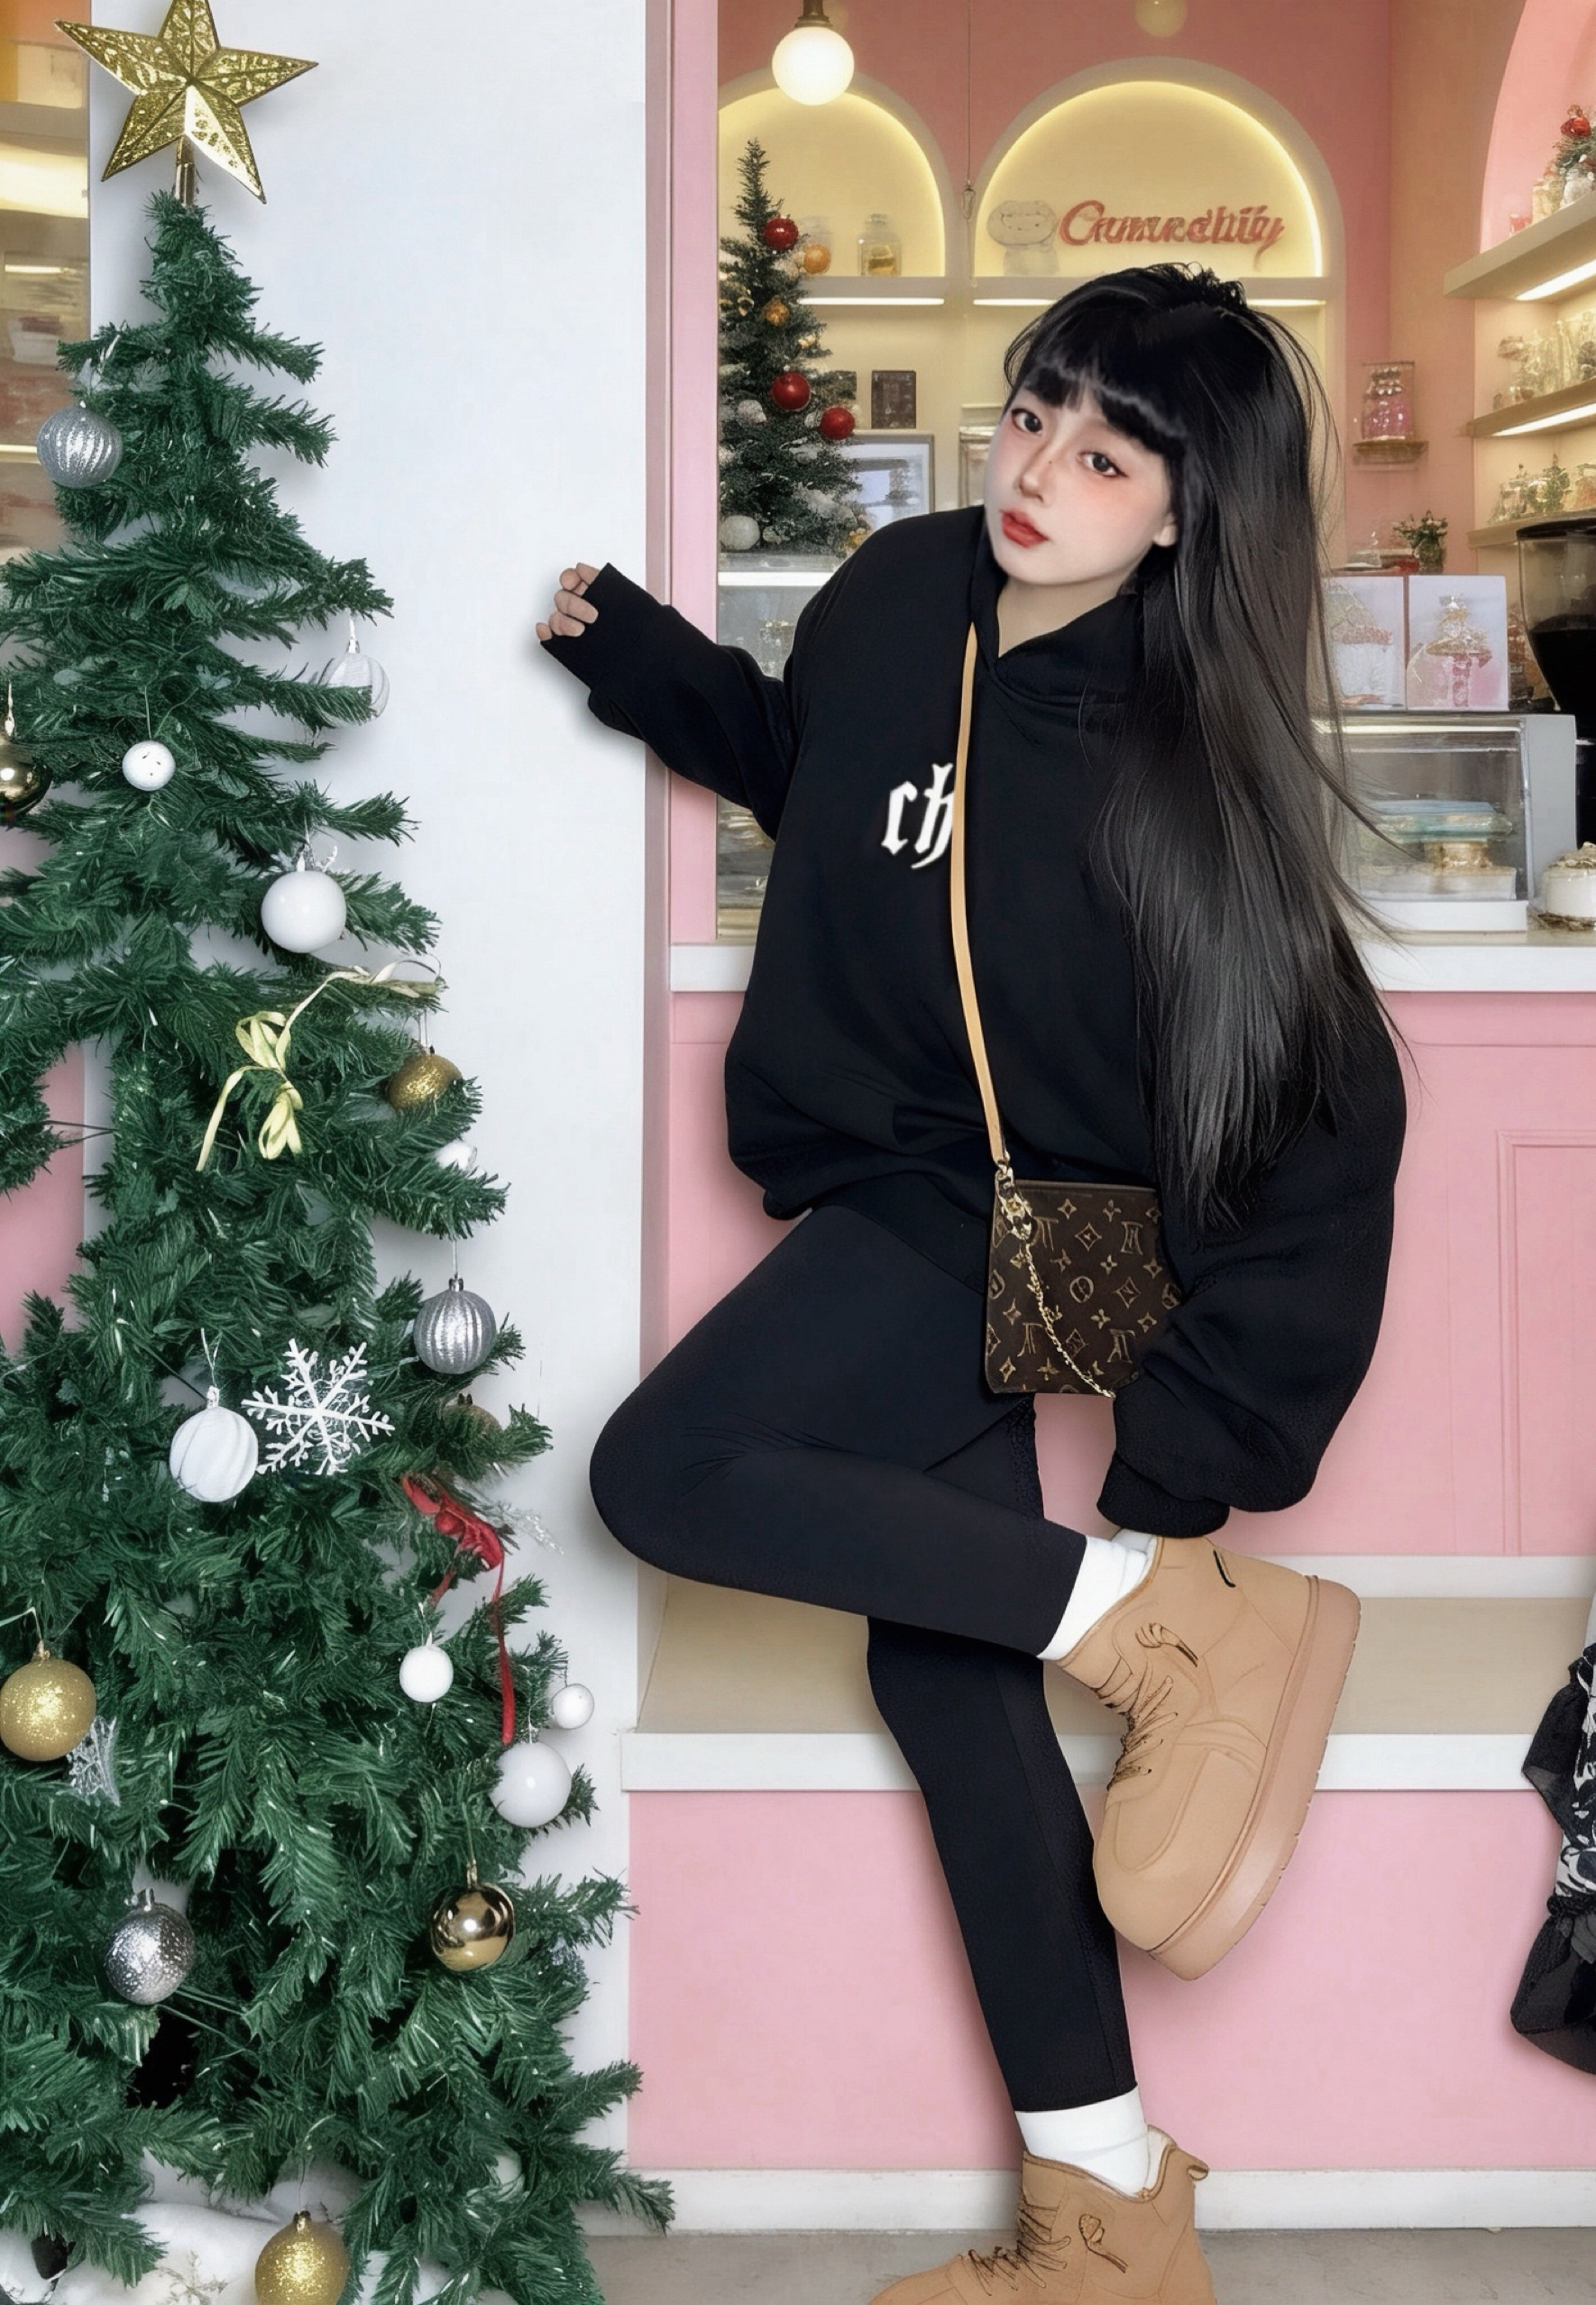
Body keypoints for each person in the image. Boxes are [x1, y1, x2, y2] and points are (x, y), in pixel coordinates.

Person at [538, 264, 1406, 2305]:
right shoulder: (901, 583)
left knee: (661, 1472)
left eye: (1104, 459)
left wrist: (1177, 1478)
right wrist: (653, 669)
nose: (1037, 473)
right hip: (884, 1177)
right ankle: (1107, 2215)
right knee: (941, 1676)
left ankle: (1163, 1627)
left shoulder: (1179, 763)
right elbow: (831, 779)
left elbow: (1329, 1126)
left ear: (1182, 513)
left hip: (1021, 1217)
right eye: (1033, 416)